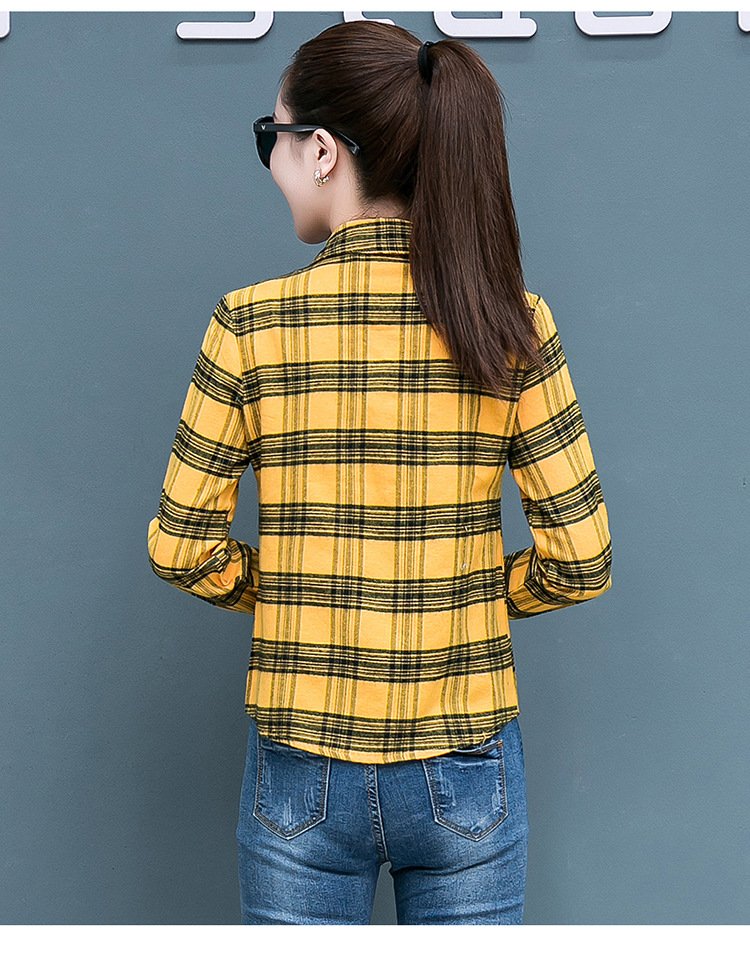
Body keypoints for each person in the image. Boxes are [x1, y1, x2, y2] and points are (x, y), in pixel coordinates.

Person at [146, 20, 612, 925]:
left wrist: (305, 593)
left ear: (322, 150)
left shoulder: (249, 325)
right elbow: (581, 561)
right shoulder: (514, 322)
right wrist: (452, 596)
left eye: (272, 139)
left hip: (300, 763)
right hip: (466, 760)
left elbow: (180, 548)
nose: (272, 164)